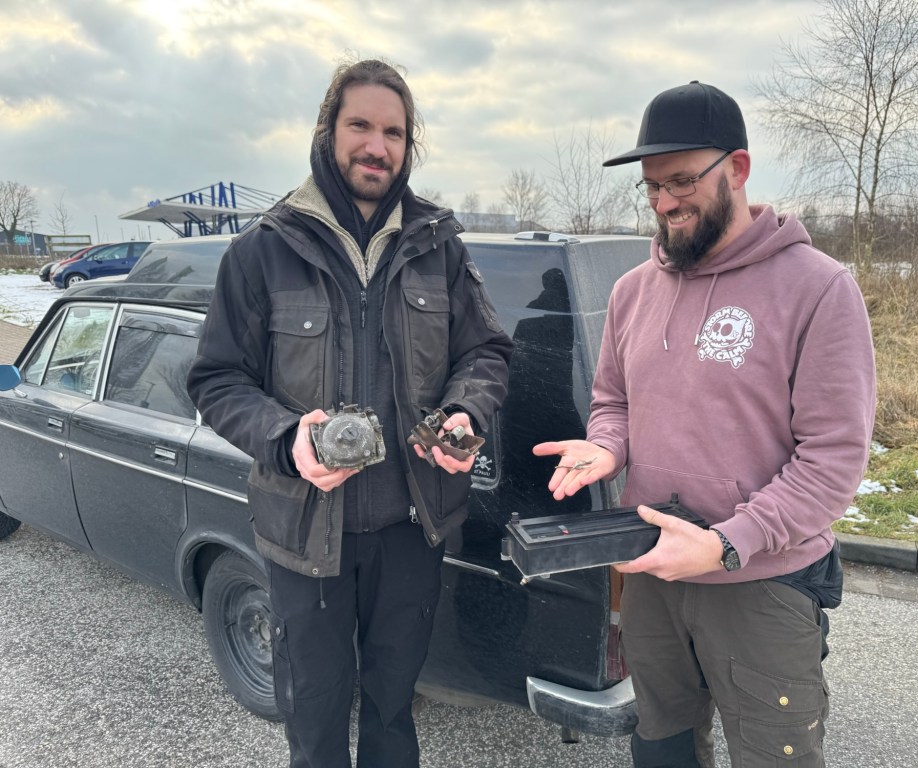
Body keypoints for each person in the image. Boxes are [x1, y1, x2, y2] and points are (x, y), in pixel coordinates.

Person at [533, 81, 876, 768]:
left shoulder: (818, 288)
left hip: (762, 583)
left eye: (683, 180)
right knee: (662, 748)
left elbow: (833, 459)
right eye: (652, 186)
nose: (665, 202)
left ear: (737, 169)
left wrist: (727, 544)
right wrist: (607, 447)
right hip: (654, 572)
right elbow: (613, 401)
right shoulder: (632, 291)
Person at [187, 58, 512, 768]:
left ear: (408, 143)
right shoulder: (264, 251)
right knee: (315, 715)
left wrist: (465, 411)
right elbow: (216, 380)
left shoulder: (438, 247)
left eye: (394, 132)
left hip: (410, 530)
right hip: (306, 535)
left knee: (394, 711)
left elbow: (486, 352)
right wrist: (285, 440)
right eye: (361, 125)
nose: (377, 145)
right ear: (328, 130)